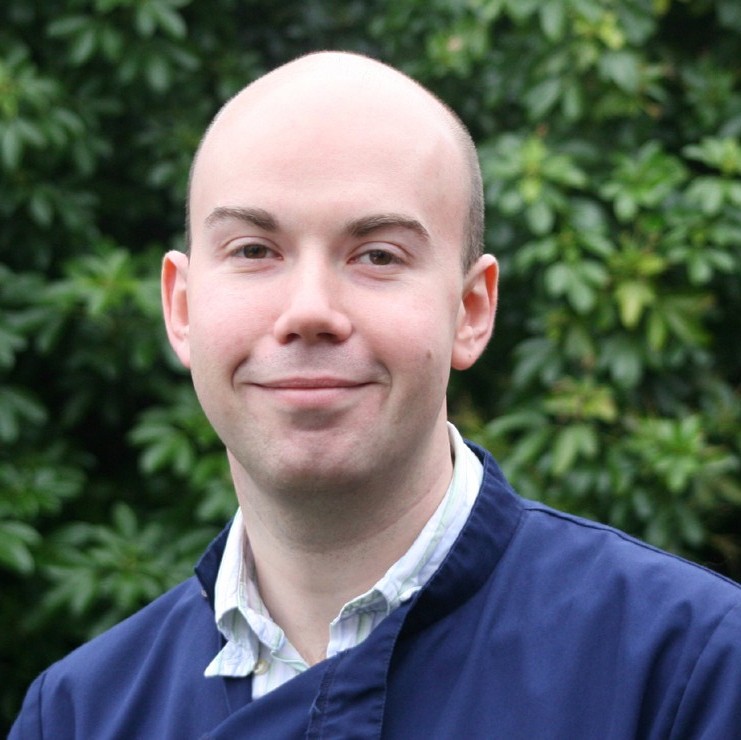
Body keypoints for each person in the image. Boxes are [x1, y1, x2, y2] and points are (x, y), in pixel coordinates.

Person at [10, 51, 741, 739]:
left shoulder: (688, 670)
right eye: (254, 251)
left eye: (377, 256)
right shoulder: (80, 714)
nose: (309, 311)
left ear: (471, 310)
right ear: (182, 309)